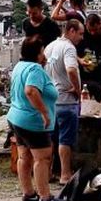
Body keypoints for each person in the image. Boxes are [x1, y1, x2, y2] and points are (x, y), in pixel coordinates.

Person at [7, 39, 65, 201]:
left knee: (24, 156)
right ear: (37, 54)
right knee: (42, 158)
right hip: (33, 121)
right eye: (42, 51)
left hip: (17, 117)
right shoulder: (34, 69)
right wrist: (44, 112)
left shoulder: (19, 66)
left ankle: (28, 192)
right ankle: (45, 197)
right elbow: (31, 90)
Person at [43, 17, 85, 185]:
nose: (81, 38)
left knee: (51, 139)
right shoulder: (68, 48)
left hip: (51, 98)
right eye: (80, 34)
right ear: (71, 31)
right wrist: (77, 88)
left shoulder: (50, 47)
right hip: (66, 100)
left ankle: (47, 172)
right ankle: (65, 174)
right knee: (65, 140)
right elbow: (71, 70)